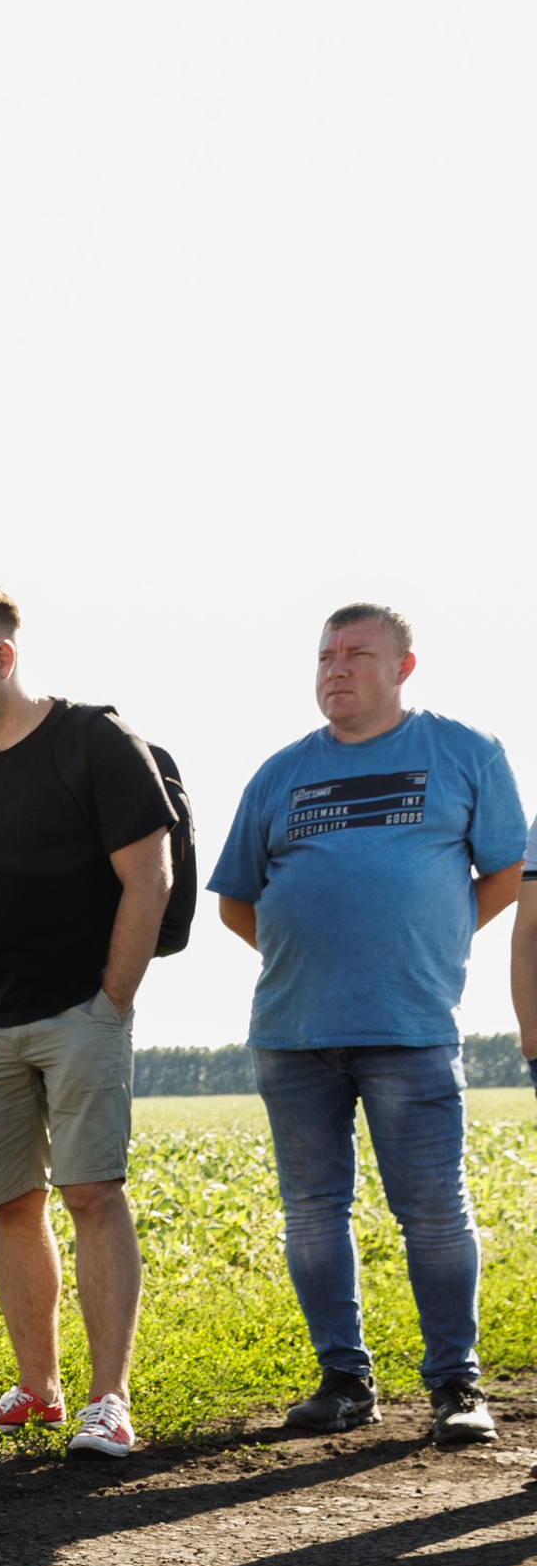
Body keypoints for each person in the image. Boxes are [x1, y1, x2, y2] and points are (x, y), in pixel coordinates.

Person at [212, 604, 525, 1447]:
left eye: (356, 653)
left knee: (431, 1210)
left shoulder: (464, 752)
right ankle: (345, 1380)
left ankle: (456, 1384)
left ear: (405, 666)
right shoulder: (279, 774)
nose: (335, 668)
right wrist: (307, 951)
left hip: (411, 1023)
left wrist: (434, 937)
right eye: (324, 655)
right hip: (292, 1030)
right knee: (313, 1209)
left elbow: (505, 873)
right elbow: (237, 899)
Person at [0, 588, 174, 1465]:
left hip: (81, 1012)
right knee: (11, 1206)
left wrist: (112, 998)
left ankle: (110, 1401)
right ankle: (38, 1389)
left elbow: (152, 876)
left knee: (93, 1194)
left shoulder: (94, 743)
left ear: (1, 658)